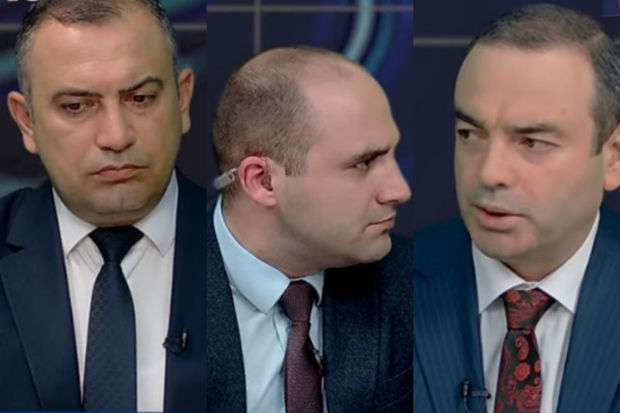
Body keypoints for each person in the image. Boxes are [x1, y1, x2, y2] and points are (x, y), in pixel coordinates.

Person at [413, 4, 620, 413]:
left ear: (613, 157)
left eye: (532, 142)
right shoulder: (389, 291)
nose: (489, 173)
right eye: (470, 134)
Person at [0, 0, 206, 411]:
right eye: (76, 106)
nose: (116, 136)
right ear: (27, 121)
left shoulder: (247, 247)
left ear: (182, 100)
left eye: (141, 98)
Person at [206, 46, 412, 413]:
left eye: (391, 155)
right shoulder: (162, 291)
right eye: (363, 163)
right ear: (263, 181)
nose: (399, 190)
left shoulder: (416, 285)